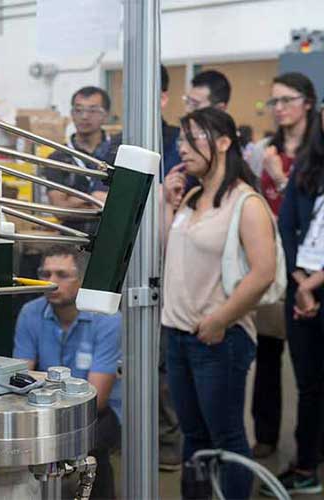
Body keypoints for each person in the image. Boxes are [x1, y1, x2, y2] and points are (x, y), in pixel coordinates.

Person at [162, 107, 276, 499]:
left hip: (218, 340)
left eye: (193, 138)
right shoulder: (192, 196)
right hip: (177, 335)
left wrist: (220, 320)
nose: (183, 147)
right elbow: (167, 254)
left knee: (226, 437)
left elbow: (264, 272)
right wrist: (167, 203)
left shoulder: (246, 203)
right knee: (193, 437)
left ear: (224, 142)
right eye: (180, 138)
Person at [14, 245, 122, 500]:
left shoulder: (107, 320)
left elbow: (98, 399)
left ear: (83, 281)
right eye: (46, 273)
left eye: (62, 275)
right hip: (47, 408)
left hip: (98, 414)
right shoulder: (30, 313)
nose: (51, 282)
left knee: (93, 444)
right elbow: (19, 380)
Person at [247, 72, 317, 460]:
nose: (279, 108)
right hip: (272, 264)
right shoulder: (262, 150)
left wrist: (280, 176)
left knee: (311, 365)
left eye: (287, 100)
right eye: (273, 101)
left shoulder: (318, 152)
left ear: (307, 102)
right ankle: (266, 434)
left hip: (311, 269)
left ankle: (312, 446)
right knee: (268, 354)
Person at [264, 106, 324, 496]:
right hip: (302, 289)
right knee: (309, 385)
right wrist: (300, 282)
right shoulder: (307, 170)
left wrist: (312, 283)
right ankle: (306, 464)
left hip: (312, 286)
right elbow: (285, 227)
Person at [43, 86, 119, 234]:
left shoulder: (118, 153)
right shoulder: (57, 158)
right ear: (71, 114)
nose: (84, 116)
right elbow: (59, 210)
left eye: (93, 110)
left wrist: (74, 200)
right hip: (73, 239)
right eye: (78, 110)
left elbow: (124, 205)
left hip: (114, 236)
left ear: (105, 115)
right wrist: (96, 199)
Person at [159, 66, 184, 473]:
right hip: (129, 256)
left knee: (166, 354)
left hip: (171, 255)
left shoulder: (179, 142)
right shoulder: (118, 142)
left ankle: (166, 435)